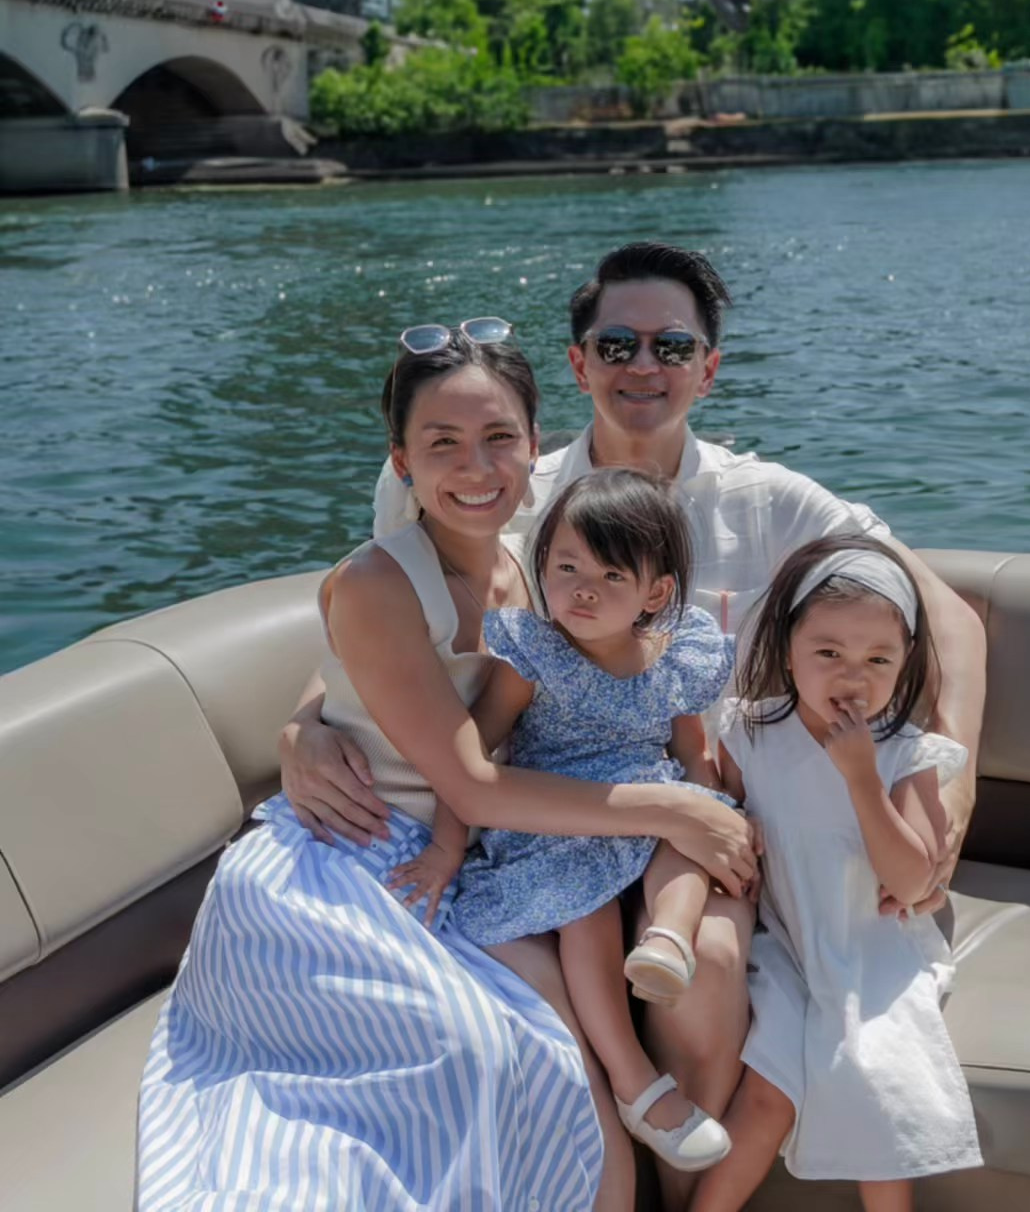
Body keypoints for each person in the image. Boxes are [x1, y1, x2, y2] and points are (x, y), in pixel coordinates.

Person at [284, 241, 986, 1211]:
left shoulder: (771, 500)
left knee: (703, 963)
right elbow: (387, 631)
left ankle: (670, 1183)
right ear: (578, 365)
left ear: (709, 365)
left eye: (670, 344)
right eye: (616, 343)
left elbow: (944, 613)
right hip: (552, 813)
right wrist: (307, 721)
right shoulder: (506, 492)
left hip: (723, 832)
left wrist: (951, 774)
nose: (642, 365)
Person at [138, 322, 757, 1212]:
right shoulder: (379, 582)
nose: (476, 467)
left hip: (492, 845)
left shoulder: (532, 563)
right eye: (442, 444)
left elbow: (391, 679)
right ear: (400, 460)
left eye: (499, 438)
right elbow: (462, 774)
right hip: (367, 853)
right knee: (508, 1050)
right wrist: (672, 810)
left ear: (534, 445)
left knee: (551, 1048)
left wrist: (306, 715)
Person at [392, 466, 742, 1173]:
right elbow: (473, 751)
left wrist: (718, 820)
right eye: (565, 567)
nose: (582, 588)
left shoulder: (678, 654)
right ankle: (635, 1083)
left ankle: (668, 943)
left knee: (691, 824)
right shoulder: (535, 655)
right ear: (541, 567)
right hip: (555, 817)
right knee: (586, 907)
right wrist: (446, 848)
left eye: (612, 576)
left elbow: (691, 755)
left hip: (648, 804)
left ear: (657, 593)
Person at [691, 534, 981, 1211]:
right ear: (787, 649)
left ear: (906, 659)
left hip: (873, 952)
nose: (853, 677)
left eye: (877, 658)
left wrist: (860, 780)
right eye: (828, 654)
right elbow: (728, 819)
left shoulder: (908, 755)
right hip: (785, 946)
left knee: (871, 1078)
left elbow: (910, 884)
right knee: (767, 1097)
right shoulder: (748, 733)